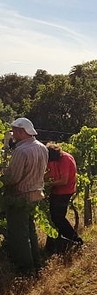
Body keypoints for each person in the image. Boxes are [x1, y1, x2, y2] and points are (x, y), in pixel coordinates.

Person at [1, 117, 49, 275]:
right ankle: (37, 263)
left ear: (22, 132)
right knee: (30, 231)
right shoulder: (42, 147)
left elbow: (12, 178)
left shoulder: (21, 151)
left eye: (14, 130)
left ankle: (26, 270)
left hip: (19, 197)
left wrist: (2, 178)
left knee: (18, 235)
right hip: (36, 195)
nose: (12, 133)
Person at [45, 142, 82, 247]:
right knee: (53, 218)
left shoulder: (65, 159)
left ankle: (75, 239)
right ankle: (54, 244)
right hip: (56, 191)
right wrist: (39, 179)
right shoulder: (53, 158)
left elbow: (64, 180)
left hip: (65, 192)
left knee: (58, 218)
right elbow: (51, 173)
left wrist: (48, 184)